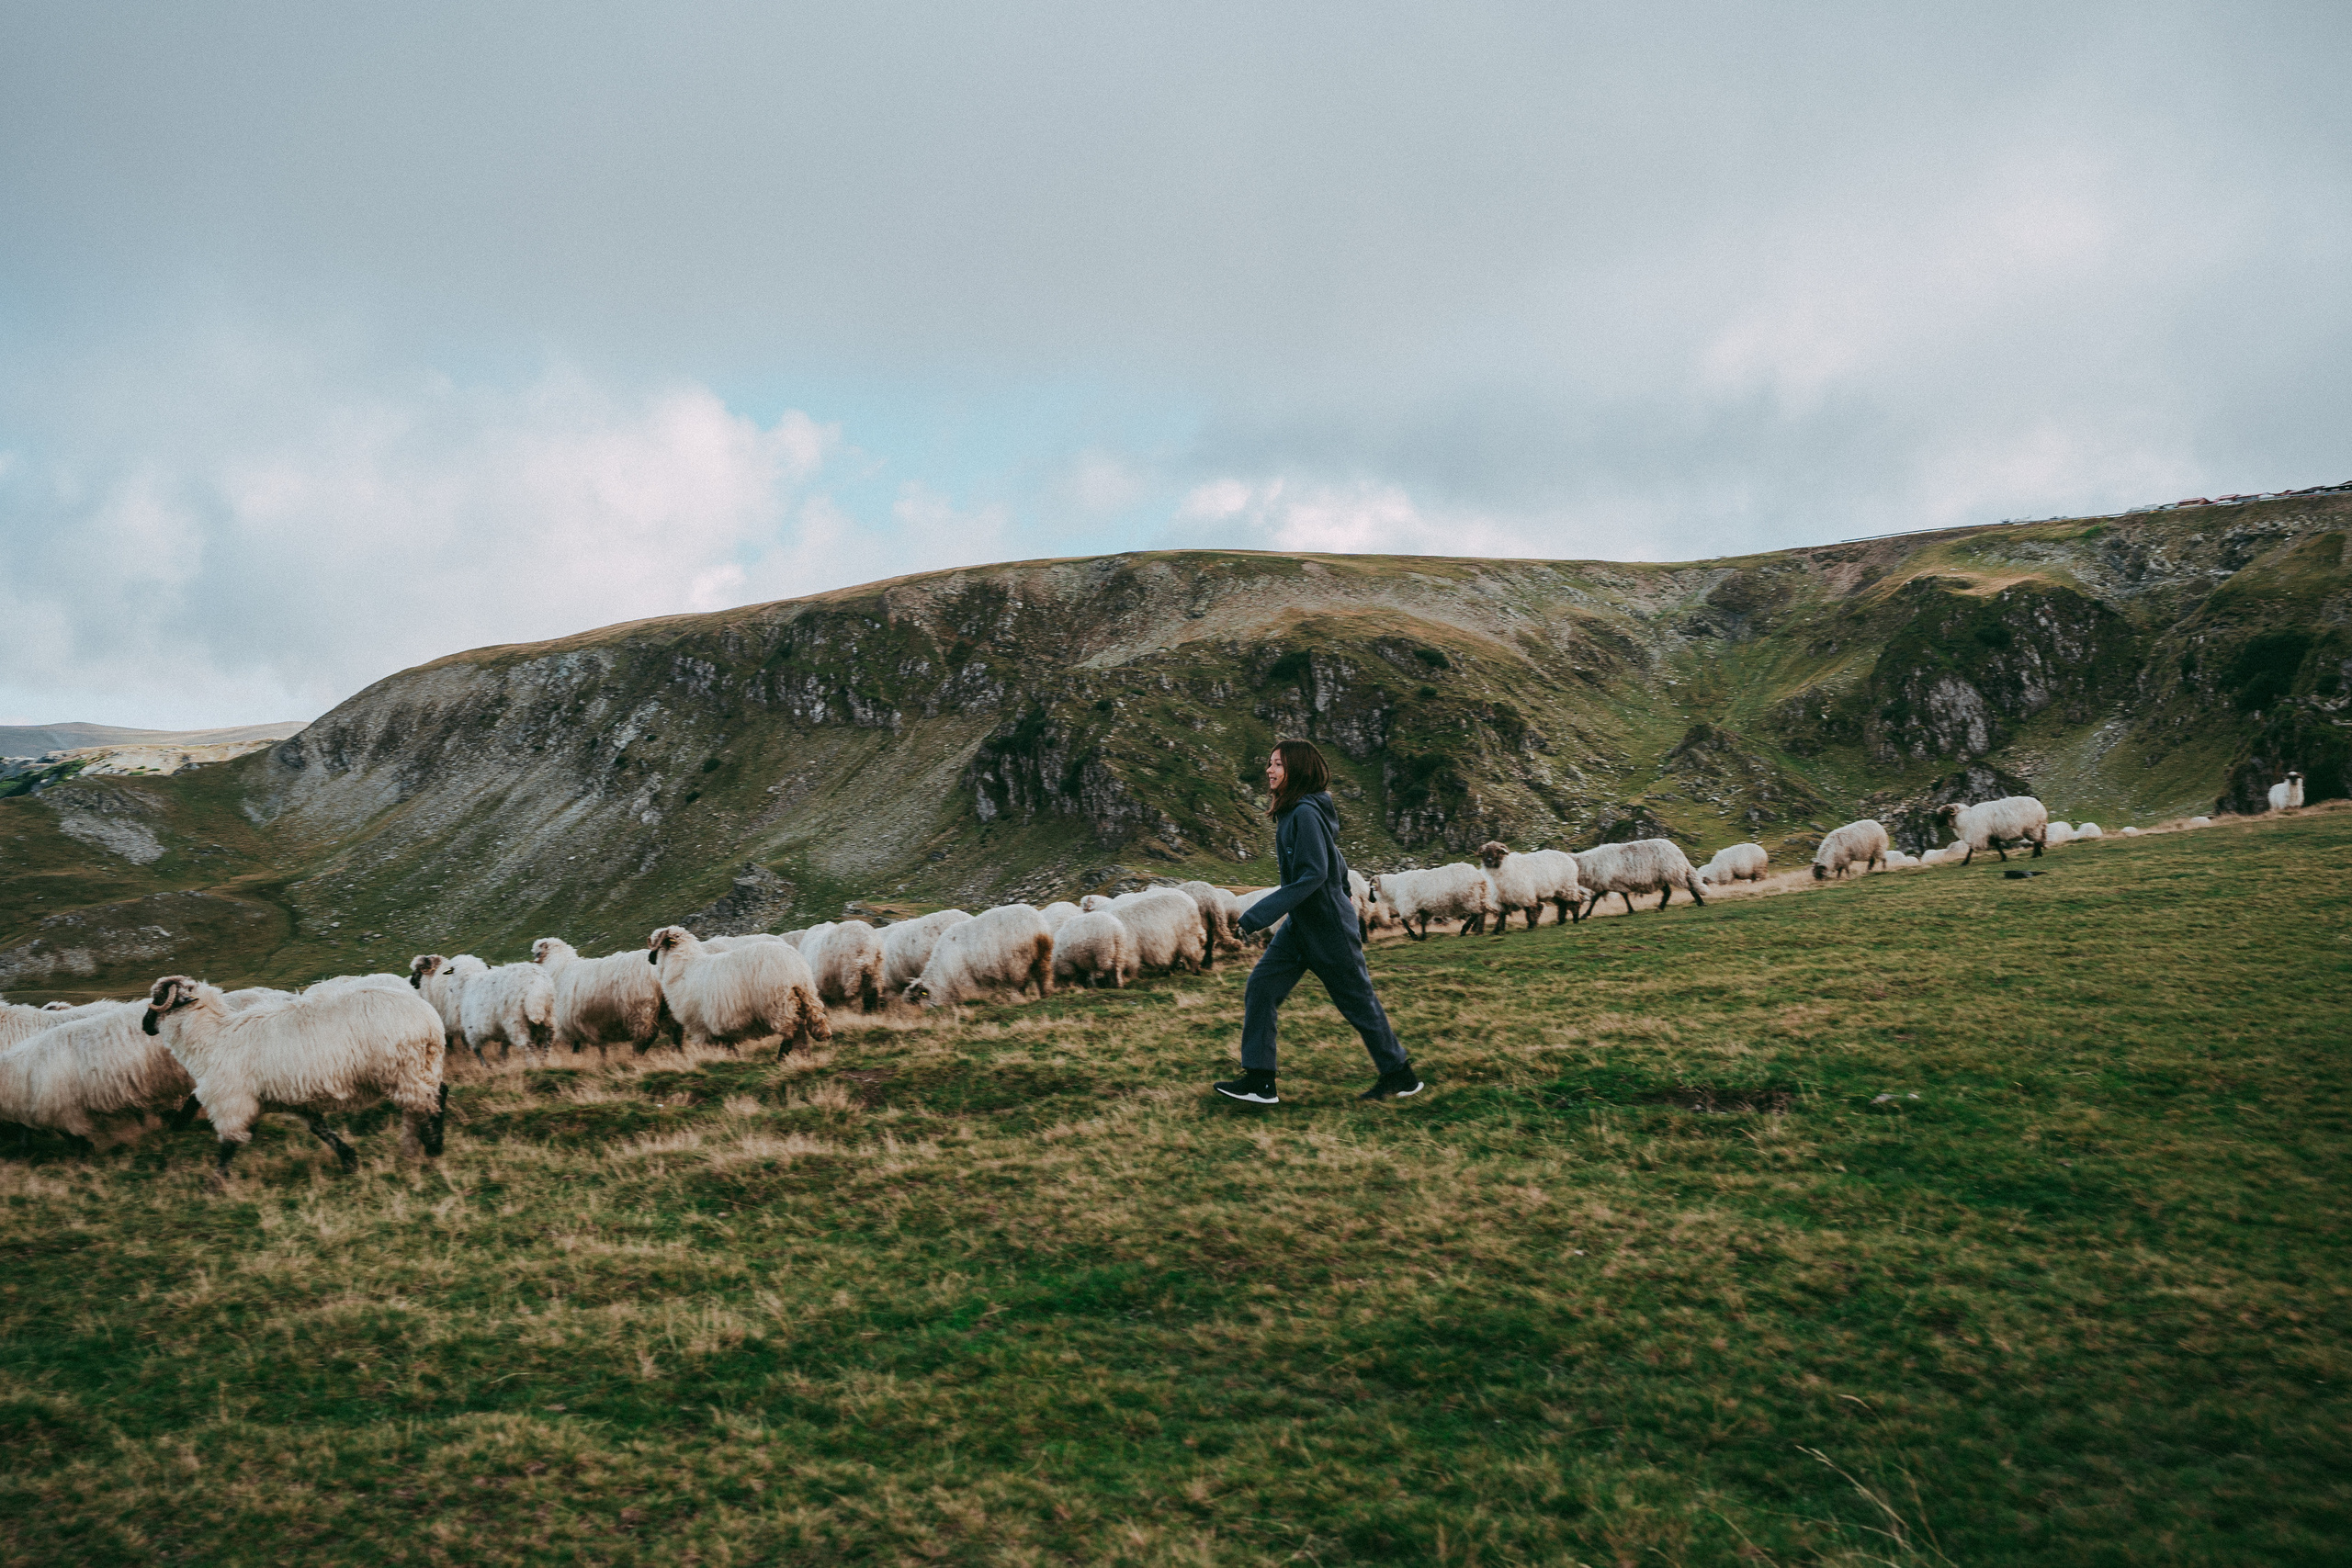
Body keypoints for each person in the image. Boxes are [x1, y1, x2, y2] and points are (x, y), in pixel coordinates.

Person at [1215, 738, 1422, 1104]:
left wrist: (1255, 917)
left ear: (1297, 768)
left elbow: (1312, 874)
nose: (1270, 769)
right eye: (1269, 762)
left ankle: (1400, 1076)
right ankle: (1260, 1081)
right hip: (1302, 924)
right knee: (1261, 987)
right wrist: (1341, 890)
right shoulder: (1296, 811)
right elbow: (1335, 863)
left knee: (1358, 1003)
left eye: (1277, 763)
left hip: (1327, 927)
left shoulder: (1306, 813)